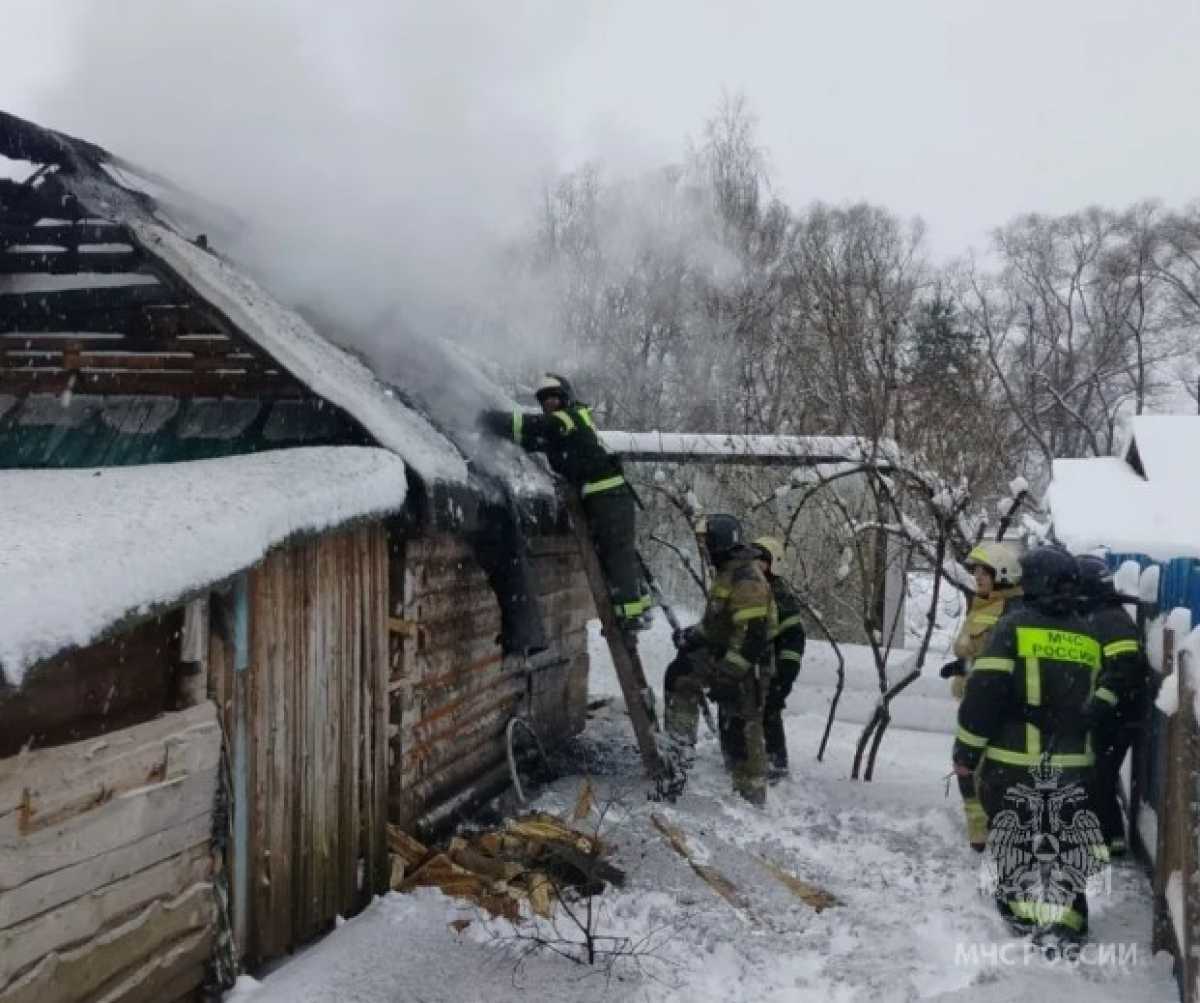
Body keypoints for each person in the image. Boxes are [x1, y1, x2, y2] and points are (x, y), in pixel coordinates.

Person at [952, 546, 1112, 947]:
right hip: (1075, 770)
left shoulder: (1014, 627)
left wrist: (966, 753)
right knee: (1066, 848)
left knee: (1017, 844)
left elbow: (983, 696)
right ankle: (1070, 924)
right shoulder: (1091, 634)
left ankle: (1024, 925)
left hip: (1015, 767)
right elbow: (1097, 703)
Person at [479, 374, 650, 631]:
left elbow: (527, 426)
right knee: (618, 552)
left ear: (566, 397)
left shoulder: (568, 418)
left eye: (554, 397)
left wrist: (488, 419)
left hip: (608, 497)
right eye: (545, 400)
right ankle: (640, 605)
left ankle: (631, 614)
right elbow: (533, 438)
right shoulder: (564, 427)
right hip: (606, 498)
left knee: (616, 554)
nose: (549, 404)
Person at [664, 514, 777, 806]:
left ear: (721, 541)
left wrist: (728, 676)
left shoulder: (746, 578)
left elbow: (753, 635)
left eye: (707, 542)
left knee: (741, 724)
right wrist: (693, 637)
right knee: (680, 675)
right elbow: (718, 623)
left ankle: (751, 796)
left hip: (745, 665)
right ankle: (679, 750)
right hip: (724, 654)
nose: (704, 549)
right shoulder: (728, 572)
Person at [940, 541, 1023, 850]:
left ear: (1002, 574)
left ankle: (985, 830)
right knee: (971, 768)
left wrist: (969, 667)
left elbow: (997, 663)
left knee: (970, 765)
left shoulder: (1009, 612)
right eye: (975, 571)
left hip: (989, 709)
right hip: (974, 702)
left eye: (983, 572)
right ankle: (981, 829)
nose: (976, 576)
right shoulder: (985, 604)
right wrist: (962, 666)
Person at [1075, 554, 1151, 856]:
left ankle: (1108, 840)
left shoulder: (1109, 620)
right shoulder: (1103, 615)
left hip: (1118, 716)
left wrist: (1097, 707)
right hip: (1116, 714)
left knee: (1098, 775)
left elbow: (1124, 671)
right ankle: (1108, 837)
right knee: (1099, 774)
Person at [751, 536, 806, 782]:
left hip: (771, 671)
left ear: (772, 565)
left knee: (769, 712)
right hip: (750, 669)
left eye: (761, 561)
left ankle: (777, 766)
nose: (755, 566)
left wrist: (783, 678)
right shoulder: (749, 589)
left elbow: (794, 640)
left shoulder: (780, 597)